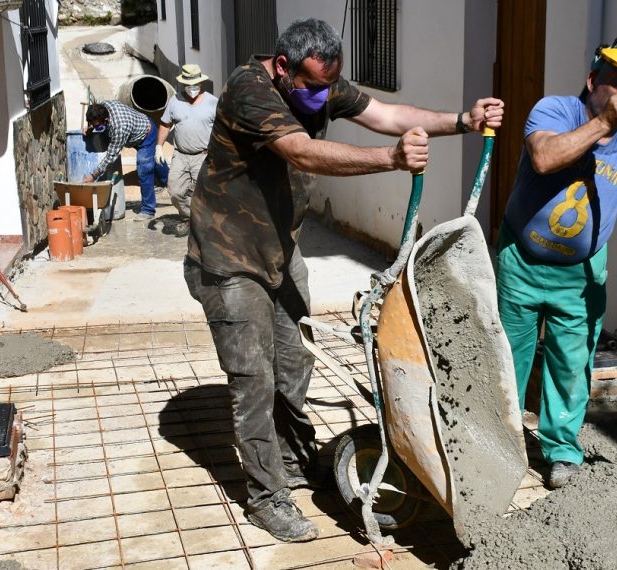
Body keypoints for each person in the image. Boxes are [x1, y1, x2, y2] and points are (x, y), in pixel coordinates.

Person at [184, 18, 503, 543]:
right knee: (253, 378)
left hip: (280, 253)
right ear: (284, 68)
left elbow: (389, 113)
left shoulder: (320, 82)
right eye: (313, 86)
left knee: (294, 361)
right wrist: (390, 159)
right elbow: (301, 151)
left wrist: (462, 121)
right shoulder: (249, 89)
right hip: (227, 259)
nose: (323, 98)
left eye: (330, 86)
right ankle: (266, 497)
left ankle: (290, 460)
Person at [496, 34, 617, 489]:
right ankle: (496, 441)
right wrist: (603, 122)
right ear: (591, 80)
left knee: (570, 364)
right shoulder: (555, 111)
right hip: (522, 260)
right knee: (505, 359)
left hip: (580, 277)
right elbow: (544, 157)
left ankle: (561, 451)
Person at [155, 64, 218, 237]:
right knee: (175, 192)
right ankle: (189, 217)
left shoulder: (213, 102)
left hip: (203, 156)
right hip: (181, 155)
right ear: (183, 84)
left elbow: (222, 129)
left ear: (201, 83)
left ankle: (196, 223)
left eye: (195, 85)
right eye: (189, 85)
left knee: (201, 192)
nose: (192, 89)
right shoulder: (175, 101)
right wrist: (159, 146)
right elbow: (165, 124)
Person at [83, 100, 168, 220]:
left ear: (106, 120)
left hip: (146, 135)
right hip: (133, 132)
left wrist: (93, 175)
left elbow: (111, 157)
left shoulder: (119, 128)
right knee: (154, 159)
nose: (96, 128)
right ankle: (169, 179)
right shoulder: (103, 106)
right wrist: (90, 126)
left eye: (98, 126)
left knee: (144, 169)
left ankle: (148, 210)